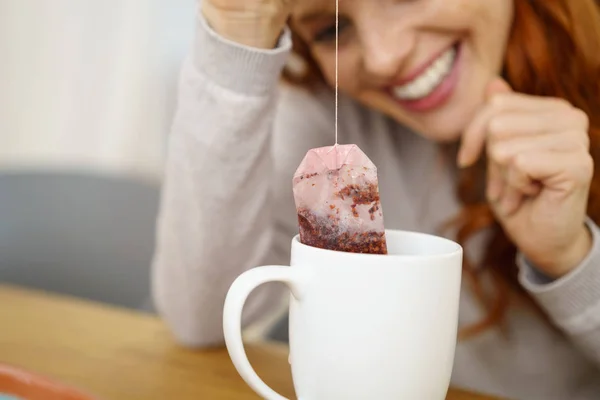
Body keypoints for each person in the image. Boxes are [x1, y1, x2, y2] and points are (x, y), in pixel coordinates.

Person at [151, 0, 600, 398]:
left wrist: (570, 256)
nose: (385, 57)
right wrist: (236, 34)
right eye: (331, 30)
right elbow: (202, 320)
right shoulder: (328, 111)